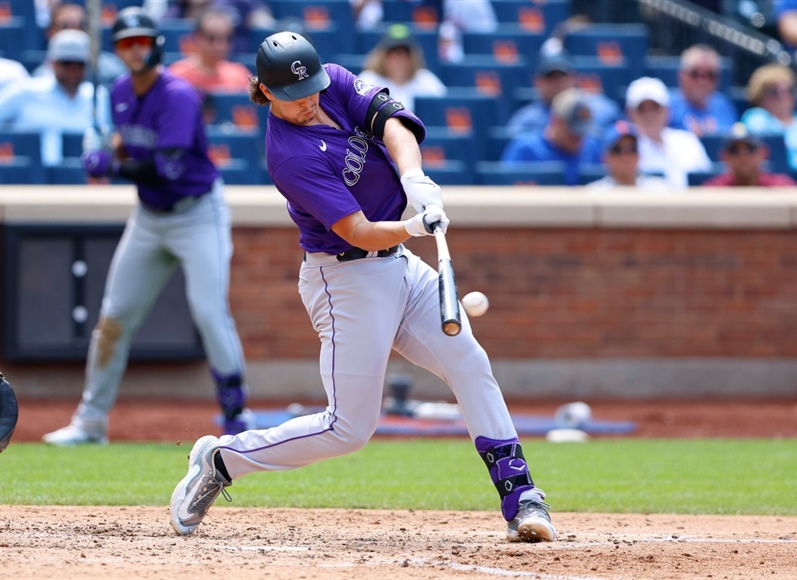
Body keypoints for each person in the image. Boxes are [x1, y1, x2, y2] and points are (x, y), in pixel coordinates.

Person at [169, 31, 557, 545]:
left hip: (398, 265)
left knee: (469, 360)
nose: (307, 103)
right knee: (348, 429)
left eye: (311, 91)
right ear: (264, 90)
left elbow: (392, 123)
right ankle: (222, 459)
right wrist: (413, 227)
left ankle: (521, 495)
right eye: (292, 96)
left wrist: (413, 177)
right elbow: (357, 231)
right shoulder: (288, 156)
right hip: (345, 277)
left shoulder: (331, 81)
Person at [41, 7, 253, 446]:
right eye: (125, 43)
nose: (135, 49)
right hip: (150, 217)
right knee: (114, 317)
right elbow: (123, 145)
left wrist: (111, 166)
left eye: (142, 41)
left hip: (197, 213)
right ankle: (91, 421)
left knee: (210, 313)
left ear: (156, 44)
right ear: (117, 51)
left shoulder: (178, 94)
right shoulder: (117, 91)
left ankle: (236, 417)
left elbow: (168, 168)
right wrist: (103, 148)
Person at [0, 29, 111, 167]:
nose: (73, 70)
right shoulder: (26, 90)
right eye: (66, 63)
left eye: (79, 64)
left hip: (85, 181)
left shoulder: (99, 96)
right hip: (32, 182)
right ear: (52, 63)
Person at [501, 88, 603, 185]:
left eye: (583, 131)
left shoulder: (593, 147)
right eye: (573, 131)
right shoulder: (525, 149)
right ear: (556, 121)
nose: (578, 137)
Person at [504, 51, 621, 137]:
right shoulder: (526, 120)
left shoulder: (602, 109)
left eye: (562, 77)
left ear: (574, 78)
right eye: (550, 77)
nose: (557, 83)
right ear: (537, 82)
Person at [625, 76, 712, 188]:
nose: (649, 114)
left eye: (655, 108)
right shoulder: (624, 150)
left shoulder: (688, 141)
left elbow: (708, 183)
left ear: (667, 111)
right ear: (630, 113)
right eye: (641, 109)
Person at [32, 1, 127, 89]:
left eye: (80, 25)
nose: (73, 32)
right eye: (65, 27)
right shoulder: (39, 79)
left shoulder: (114, 70)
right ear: (50, 32)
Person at [357, 23, 447, 113]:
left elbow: (445, 108)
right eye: (393, 54)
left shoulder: (425, 80)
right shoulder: (368, 80)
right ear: (382, 57)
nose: (399, 59)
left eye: (404, 54)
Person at [168, 7, 252, 94]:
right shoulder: (177, 75)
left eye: (227, 38)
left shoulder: (240, 75)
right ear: (197, 37)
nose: (220, 45)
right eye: (211, 38)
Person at [667, 44, 738, 136]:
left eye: (710, 75)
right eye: (695, 73)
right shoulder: (666, 105)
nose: (703, 81)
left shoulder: (723, 105)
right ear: (681, 75)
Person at [740, 63, 797, 171]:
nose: (783, 96)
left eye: (788, 90)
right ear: (760, 96)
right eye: (775, 92)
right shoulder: (756, 117)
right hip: (778, 180)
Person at [702, 122, 797, 186]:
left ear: (763, 153)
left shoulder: (782, 187)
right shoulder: (712, 191)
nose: (743, 156)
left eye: (750, 149)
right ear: (724, 156)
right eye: (734, 150)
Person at [586, 120, 670, 190]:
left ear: (640, 154)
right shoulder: (594, 193)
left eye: (632, 149)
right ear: (605, 157)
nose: (626, 156)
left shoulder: (658, 189)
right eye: (617, 150)